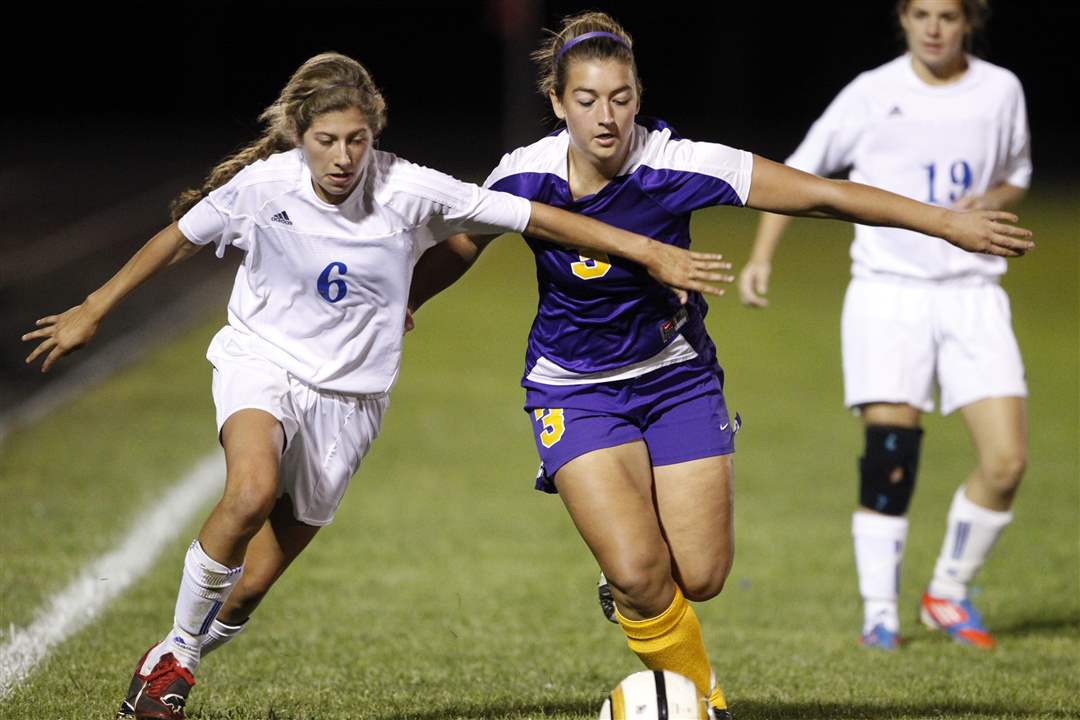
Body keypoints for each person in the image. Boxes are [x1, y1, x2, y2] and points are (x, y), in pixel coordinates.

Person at [21, 52, 736, 720]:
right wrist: (92, 308)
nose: (343, 158)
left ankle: (171, 661)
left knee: (253, 588)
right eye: (328, 140)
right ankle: (175, 656)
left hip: (351, 400)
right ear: (299, 135)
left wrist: (647, 250)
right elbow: (178, 237)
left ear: (375, 134)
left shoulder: (407, 187)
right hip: (263, 362)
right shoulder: (261, 186)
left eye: (357, 140)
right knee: (249, 489)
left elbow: (537, 217)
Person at [405, 10, 1032, 717]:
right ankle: (705, 701)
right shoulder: (525, 175)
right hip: (574, 390)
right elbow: (461, 245)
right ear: (557, 102)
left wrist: (946, 221)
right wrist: (406, 305)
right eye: (586, 100)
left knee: (700, 576)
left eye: (620, 97)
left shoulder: (680, 162)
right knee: (643, 573)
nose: (605, 117)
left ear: (639, 96)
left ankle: (637, 596)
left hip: (675, 377)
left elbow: (821, 191)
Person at [739, 0, 1031, 651]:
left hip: (973, 291)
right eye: (921, 13)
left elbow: (1016, 176)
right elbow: (798, 173)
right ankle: (880, 614)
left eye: (948, 15)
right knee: (891, 460)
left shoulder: (1001, 91)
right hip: (889, 294)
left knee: (1006, 462)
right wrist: (761, 255)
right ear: (902, 18)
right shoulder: (871, 94)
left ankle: (946, 595)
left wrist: (989, 200)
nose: (933, 27)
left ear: (969, 22)